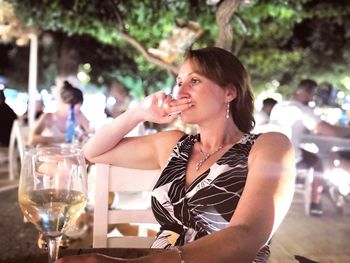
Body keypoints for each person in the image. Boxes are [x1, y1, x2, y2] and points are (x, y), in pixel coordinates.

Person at [57, 47, 295, 263]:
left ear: (229, 92)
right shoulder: (174, 145)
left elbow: (248, 236)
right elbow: (93, 152)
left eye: (194, 81)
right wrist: (139, 112)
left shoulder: (269, 146)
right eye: (179, 82)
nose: (180, 91)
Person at [270, 79, 350, 216]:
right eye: (312, 93)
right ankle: (315, 202)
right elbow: (329, 132)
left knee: (325, 155)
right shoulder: (302, 110)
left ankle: (329, 192)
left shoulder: (278, 107)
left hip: (271, 153)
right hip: (290, 156)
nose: (312, 97)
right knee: (319, 162)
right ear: (306, 92)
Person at [28, 81, 90, 146]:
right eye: (73, 105)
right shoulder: (48, 117)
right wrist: (63, 138)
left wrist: (84, 136)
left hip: (71, 154)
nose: (78, 108)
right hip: (50, 154)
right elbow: (32, 140)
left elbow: (91, 135)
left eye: (80, 104)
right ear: (63, 102)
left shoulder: (79, 115)